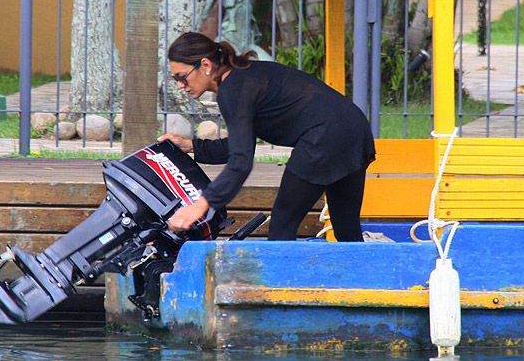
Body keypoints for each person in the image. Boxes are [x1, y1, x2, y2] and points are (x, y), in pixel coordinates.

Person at [159, 32, 375, 241]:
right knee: (347, 231)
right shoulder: (244, 76)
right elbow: (238, 149)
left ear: (205, 65)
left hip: (324, 137)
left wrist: (201, 205)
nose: (180, 85)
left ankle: (280, 280)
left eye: (182, 77)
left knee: (282, 225)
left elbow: (241, 163)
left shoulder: (233, 90)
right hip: (355, 129)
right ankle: (367, 278)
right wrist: (191, 146)